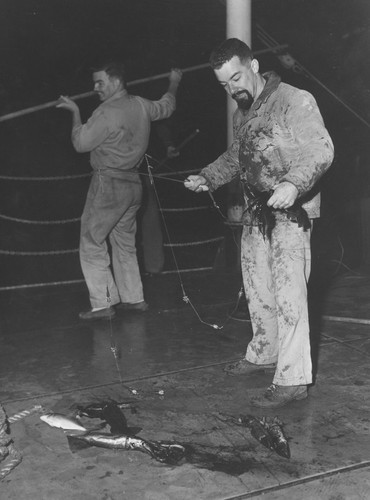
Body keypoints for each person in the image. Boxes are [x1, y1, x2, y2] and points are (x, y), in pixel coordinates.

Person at [185, 38, 334, 408]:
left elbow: (321, 149)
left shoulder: (294, 100)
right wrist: (209, 176)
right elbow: (239, 155)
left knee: (289, 295)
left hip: (290, 213)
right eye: (223, 84)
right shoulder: (244, 113)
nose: (232, 88)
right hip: (256, 213)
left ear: (252, 66)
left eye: (235, 78)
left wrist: (293, 183)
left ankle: (293, 378)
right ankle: (264, 352)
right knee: (258, 289)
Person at [57, 61, 182, 320]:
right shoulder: (140, 104)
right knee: (124, 242)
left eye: (100, 82)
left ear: (115, 82)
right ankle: (134, 299)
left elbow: (80, 143)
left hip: (108, 184)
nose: (95, 88)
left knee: (91, 241)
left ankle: (103, 305)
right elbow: (167, 106)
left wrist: (74, 111)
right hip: (134, 185)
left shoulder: (105, 112)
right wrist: (174, 81)